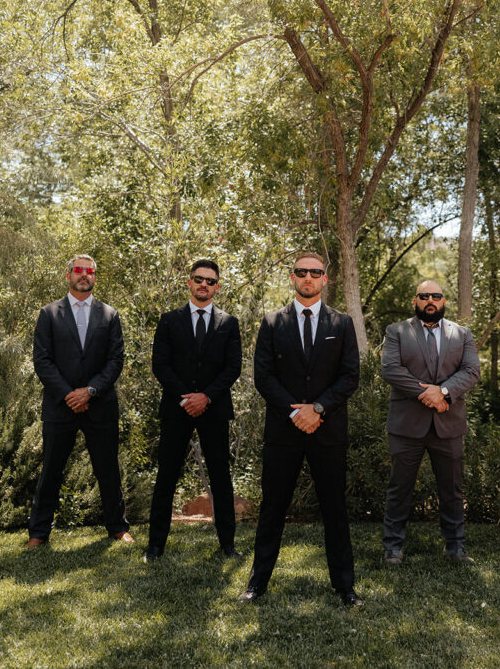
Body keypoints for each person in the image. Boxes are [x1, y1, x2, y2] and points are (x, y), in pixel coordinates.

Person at [239, 252, 362, 606]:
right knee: (272, 509)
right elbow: (264, 377)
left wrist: (318, 409)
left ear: (325, 279)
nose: (308, 277)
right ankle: (256, 584)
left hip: (328, 430)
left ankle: (345, 587)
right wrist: (296, 414)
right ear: (292, 277)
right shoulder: (272, 322)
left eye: (315, 272)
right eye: (301, 272)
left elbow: (350, 375)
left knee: (335, 510)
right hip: (283, 431)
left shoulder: (342, 324)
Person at [26, 255, 131, 548]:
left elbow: (115, 359)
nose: (84, 275)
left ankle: (118, 527)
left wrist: (91, 391)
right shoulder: (49, 313)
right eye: (78, 270)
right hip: (60, 406)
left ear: (95, 277)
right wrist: (69, 394)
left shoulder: (110, 315)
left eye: (89, 271)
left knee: (108, 469)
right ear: (68, 275)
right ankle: (38, 533)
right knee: (51, 470)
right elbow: (42, 360)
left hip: (101, 405)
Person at [145, 259, 242, 562]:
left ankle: (228, 545)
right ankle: (155, 547)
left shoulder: (229, 323)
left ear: (217, 286)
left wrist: (206, 397)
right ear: (189, 282)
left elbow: (233, 367)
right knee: (166, 477)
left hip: (214, 409)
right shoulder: (169, 320)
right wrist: (186, 397)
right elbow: (160, 364)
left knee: (221, 478)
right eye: (199, 279)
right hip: (177, 408)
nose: (204, 284)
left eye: (210, 281)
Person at [380, 280, 480, 565]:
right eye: (424, 296)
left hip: (448, 424)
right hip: (406, 425)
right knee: (400, 488)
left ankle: (455, 548)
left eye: (436, 295)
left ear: (444, 300)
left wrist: (444, 392)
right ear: (415, 301)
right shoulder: (397, 331)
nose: (430, 300)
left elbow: (472, 371)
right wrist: (427, 393)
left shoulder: (462, 334)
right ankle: (393, 549)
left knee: (452, 489)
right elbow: (391, 369)